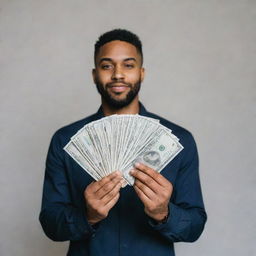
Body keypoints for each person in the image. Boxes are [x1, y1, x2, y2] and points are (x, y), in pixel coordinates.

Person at [39, 29, 207, 256]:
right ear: (94, 74)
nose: (118, 74)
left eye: (128, 65)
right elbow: (50, 223)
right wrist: (87, 215)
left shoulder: (179, 141)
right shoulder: (65, 140)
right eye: (107, 66)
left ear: (142, 73)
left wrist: (164, 212)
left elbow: (195, 225)